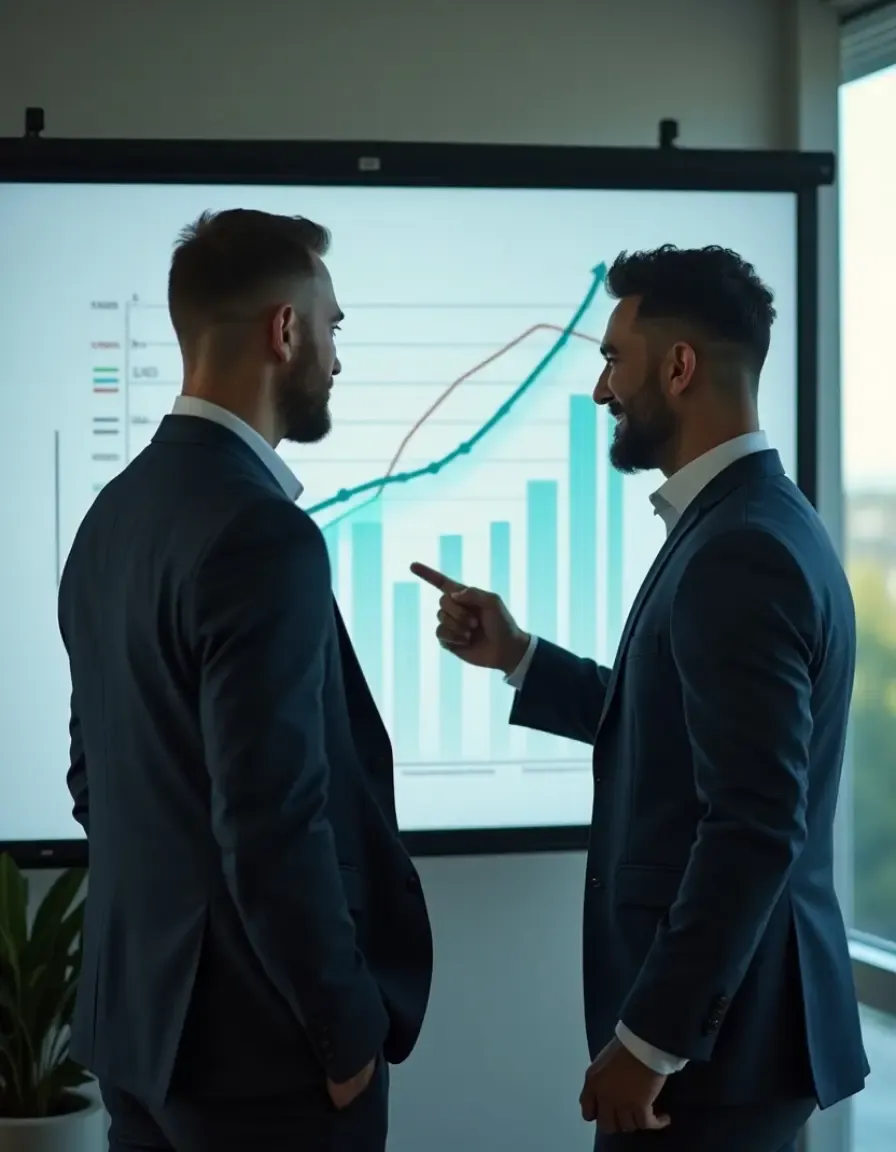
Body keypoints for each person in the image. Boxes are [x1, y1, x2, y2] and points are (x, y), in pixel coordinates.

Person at [412, 244, 867, 1151]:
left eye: (612, 360)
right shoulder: (752, 522)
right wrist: (522, 658)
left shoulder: (741, 548)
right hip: (734, 1039)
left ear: (680, 365)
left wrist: (653, 1040)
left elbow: (752, 819)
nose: (600, 391)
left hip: (712, 1053)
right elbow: (685, 732)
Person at [58, 209, 432, 1152]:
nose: (339, 357)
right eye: (334, 326)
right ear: (285, 329)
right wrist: (344, 1037)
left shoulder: (112, 516)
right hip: (266, 1060)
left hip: (142, 1037)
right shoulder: (264, 535)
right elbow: (272, 824)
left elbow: (92, 779)